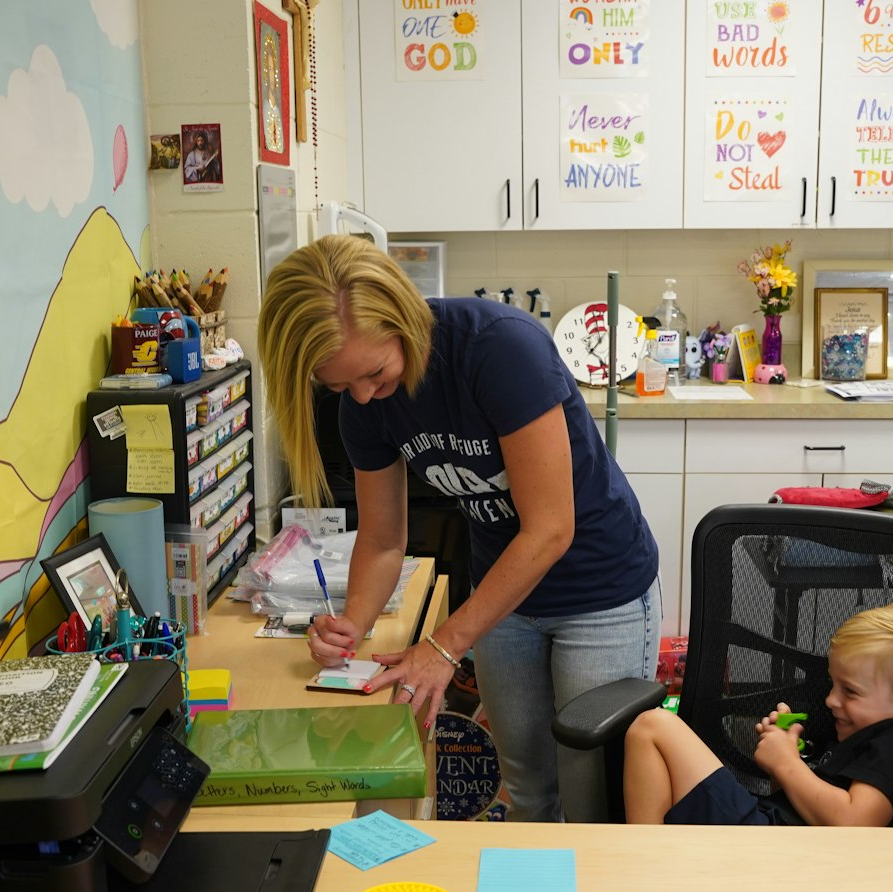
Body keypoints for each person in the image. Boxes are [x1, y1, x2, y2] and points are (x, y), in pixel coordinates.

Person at [257, 235, 662, 822]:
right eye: (343, 387)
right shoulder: (364, 408)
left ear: (399, 316)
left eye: (373, 372)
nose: (365, 397)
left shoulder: (499, 350)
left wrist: (445, 644)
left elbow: (551, 529)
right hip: (505, 599)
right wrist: (352, 625)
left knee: (593, 794)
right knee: (525, 783)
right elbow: (382, 539)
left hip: (601, 591)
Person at [623, 600, 893, 827]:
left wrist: (787, 763)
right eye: (834, 685)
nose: (831, 700)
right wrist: (782, 759)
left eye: (851, 691)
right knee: (653, 741)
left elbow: (855, 824)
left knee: (652, 728)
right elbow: (809, 805)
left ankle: (649, 861)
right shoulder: (872, 736)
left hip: (777, 848)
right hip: (774, 834)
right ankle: (656, 856)